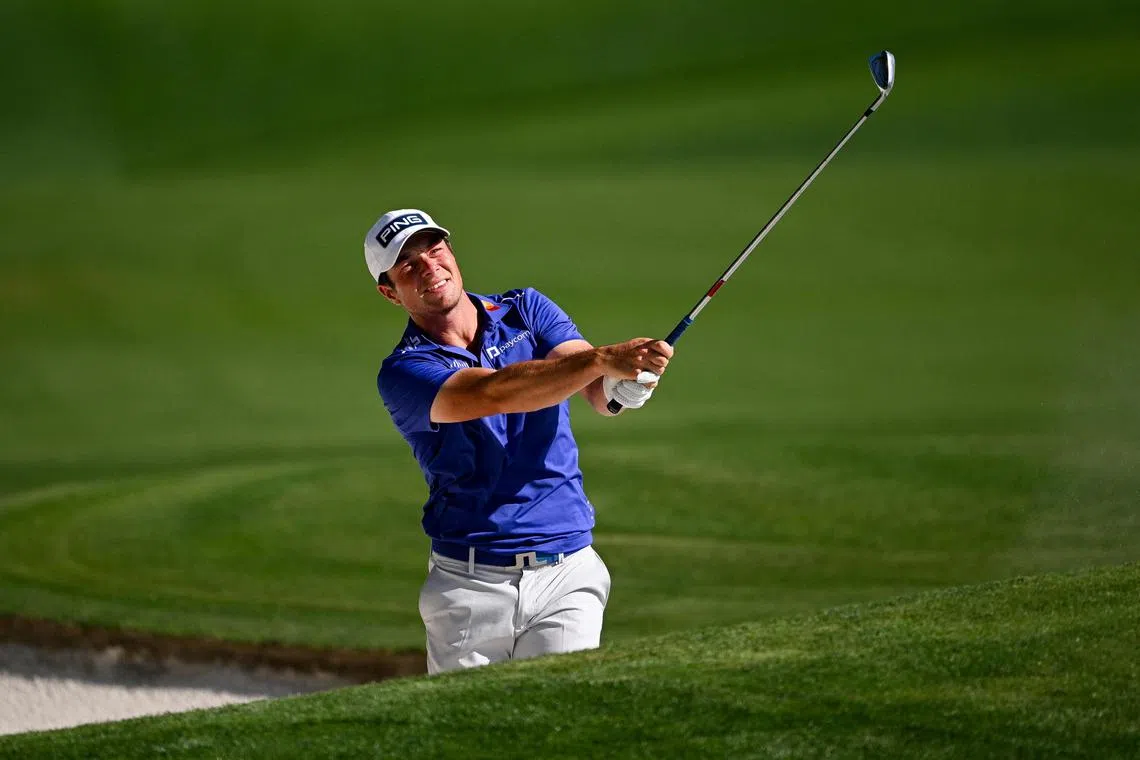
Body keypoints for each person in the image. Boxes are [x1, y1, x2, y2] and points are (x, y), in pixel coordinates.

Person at [364, 208, 672, 674]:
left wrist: (624, 384)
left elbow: (592, 385)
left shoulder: (525, 308)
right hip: (468, 586)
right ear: (390, 291)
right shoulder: (404, 371)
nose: (430, 266)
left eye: (435, 249)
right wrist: (605, 360)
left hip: (566, 570)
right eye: (408, 265)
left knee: (559, 722)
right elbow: (496, 392)